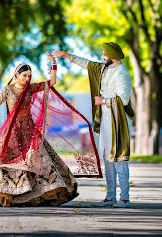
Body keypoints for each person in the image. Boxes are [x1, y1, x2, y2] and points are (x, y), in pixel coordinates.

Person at [0, 52, 101, 207]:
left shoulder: (31, 88)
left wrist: (54, 64)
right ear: (16, 74)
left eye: (29, 75)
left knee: (40, 159)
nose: (27, 78)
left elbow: (52, 82)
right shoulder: (7, 90)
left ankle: (36, 194)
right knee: (7, 162)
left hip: (29, 130)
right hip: (13, 131)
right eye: (24, 75)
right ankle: (5, 193)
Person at [52, 42, 134, 208]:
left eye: (104, 55)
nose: (102, 57)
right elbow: (86, 64)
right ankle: (110, 196)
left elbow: (124, 100)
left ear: (112, 56)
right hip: (105, 120)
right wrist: (65, 55)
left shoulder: (122, 73)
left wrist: (103, 101)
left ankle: (124, 198)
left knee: (119, 158)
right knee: (106, 158)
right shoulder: (105, 68)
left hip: (118, 122)